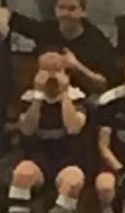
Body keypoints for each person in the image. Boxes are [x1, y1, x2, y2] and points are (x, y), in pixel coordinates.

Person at [0, 0, 119, 94]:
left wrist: (76, 66)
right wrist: (1, 22)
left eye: (72, 9)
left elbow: (104, 85)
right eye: (61, 7)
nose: (65, 14)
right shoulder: (47, 30)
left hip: (80, 100)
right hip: (44, 95)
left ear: (83, 12)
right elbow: (5, 12)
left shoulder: (97, 41)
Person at [16, 50, 88, 181]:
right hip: (37, 154)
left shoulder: (76, 97)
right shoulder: (29, 98)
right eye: (45, 70)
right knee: (23, 174)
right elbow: (27, 129)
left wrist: (64, 93)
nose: (51, 76)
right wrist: (38, 95)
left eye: (56, 70)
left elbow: (73, 128)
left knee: (70, 181)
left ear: (66, 73)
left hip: (68, 155)